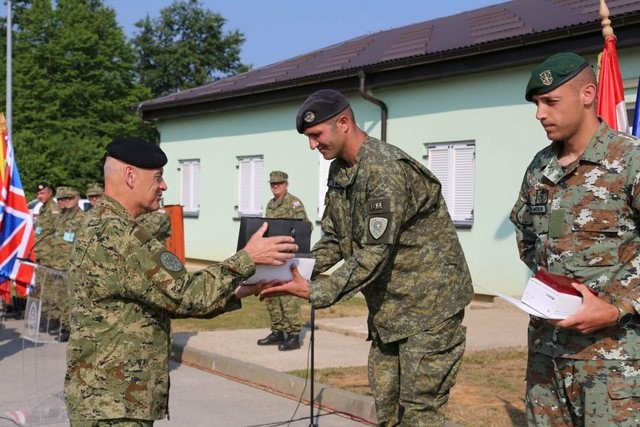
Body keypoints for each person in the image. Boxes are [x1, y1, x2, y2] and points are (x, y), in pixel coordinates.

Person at [261, 89, 474, 425]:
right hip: (389, 311)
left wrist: (317, 291)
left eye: (316, 135)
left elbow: (375, 251)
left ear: (344, 123)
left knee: (420, 413)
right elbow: (336, 237)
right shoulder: (342, 171)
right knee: (388, 409)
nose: (312, 145)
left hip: (429, 309)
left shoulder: (385, 171)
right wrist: (296, 268)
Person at [64, 137, 298, 426]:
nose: (164, 186)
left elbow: (167, 298)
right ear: (130, 176)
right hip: (114, 405)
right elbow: (187, 294)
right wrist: (248, 258)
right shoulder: (120, 235)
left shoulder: (101, 224)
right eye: (158, 178)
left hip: (107, 399)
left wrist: (241, 289)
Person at [510, 52, 640, 425]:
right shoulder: (540, 167)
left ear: (587, 94)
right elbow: (526, 232)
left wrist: (618, 306)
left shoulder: (629, 160)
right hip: (546, 359)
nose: (540, 114)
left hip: (614, 364)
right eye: (537, 104)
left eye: (550, 101)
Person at [257, 170, 310, 351]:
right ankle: (278, 330)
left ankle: (293, 335)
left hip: (288, 254)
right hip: (272, 254)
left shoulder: (294, 204)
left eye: (279, 183)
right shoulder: (270, 204)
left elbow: (304, 227)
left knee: (288, 295)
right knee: (272, 292)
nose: (275, 186)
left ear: (286, 184)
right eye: (272, 184)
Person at [46, 186, 87, 341]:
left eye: (68, 198)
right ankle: (64, 325)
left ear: (77, 198)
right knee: (60, 297)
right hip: (58, 264)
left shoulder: (82, 218)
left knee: (71, 299)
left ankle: (71, 329)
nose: (64, 202)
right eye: (61, 199)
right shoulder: (61, 217)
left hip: (71, 266)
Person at [33, 182, 61, 266]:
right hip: (39, 252)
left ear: (50, 192)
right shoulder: (42, 208)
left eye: (42, 193)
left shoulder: (55, 209)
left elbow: (58, 232)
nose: (40, 196)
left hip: (49, 254)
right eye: (38, 194)